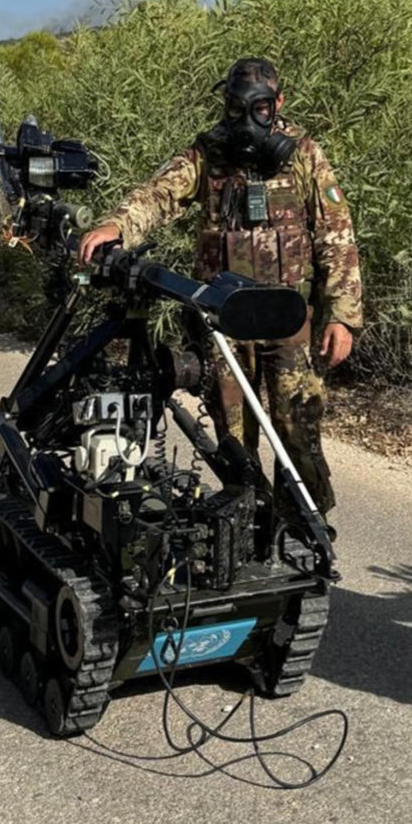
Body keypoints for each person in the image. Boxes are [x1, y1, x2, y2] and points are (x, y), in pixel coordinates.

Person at [78, 57, 362, 517]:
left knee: (297, 425)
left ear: (278, 104)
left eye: (261, 108)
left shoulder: (305, 154)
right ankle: (245, 514)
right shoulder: (207, 154)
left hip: (288, 318)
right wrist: (117, 225)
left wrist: (343, 318)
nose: (248, 119)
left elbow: (338, 237)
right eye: (235, 107)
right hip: (224, 319)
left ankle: (306, 520)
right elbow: (159, 193)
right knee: (232, 431)